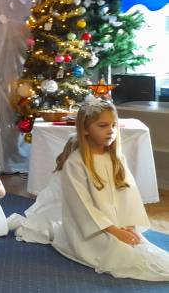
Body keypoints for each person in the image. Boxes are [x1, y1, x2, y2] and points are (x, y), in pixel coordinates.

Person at [52, 100, 169, 281]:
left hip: (117, 224)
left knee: (144, 250)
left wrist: (128, 225)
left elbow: (128, 195)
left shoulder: (116, 158)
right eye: (103, 126)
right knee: (123, 256)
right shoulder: (75, 163)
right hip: (89, 230)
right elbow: (82, 207)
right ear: (85, 129)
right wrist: (115, 231)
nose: (111, 131)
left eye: (114, 125)